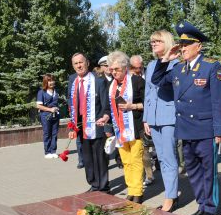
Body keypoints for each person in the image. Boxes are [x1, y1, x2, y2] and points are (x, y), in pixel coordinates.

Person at [152, 20, 221, 215]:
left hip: (205, 128)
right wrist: (165, 58)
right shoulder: (178, 70)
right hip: (185, 129)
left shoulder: (211, 67)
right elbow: (157, 80)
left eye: (187, 44)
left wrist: (219, 131)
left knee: (208, 170)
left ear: (198, 46)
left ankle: (210, 208)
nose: (183, 48)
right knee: (193, 171)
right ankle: (201, 204)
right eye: (181, 45)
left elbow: (219, 101)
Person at [143, 30, 180, 212]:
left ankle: (170, 197)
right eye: (152, 41)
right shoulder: (151, 65)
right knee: (161, 158)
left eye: (157, 41)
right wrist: (145, 119)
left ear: (167, 42)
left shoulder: (176, 64)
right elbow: (148, 93)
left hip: (168, 116)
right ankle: (171, 193)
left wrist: (166, 60)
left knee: (168, 158)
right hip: (153, 117)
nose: (153, 44)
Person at [67, 53, 111, 193]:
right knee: (87, 158)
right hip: (80, 126)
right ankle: (93, 184)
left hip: (96, 123)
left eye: (81, 62)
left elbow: (105, 104)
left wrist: (106, 119)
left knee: (99, 157)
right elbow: (71, 102)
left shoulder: (99, 81)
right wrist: (72, 125)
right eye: (76, 63)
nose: (79, 65)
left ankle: (103, 187)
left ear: (87, 63)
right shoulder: (72, 80)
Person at [108, 51, 146, 203]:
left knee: (136, 160)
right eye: (111, 69)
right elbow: (107, 107)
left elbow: (147, 104)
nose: (114, 72)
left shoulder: (137, 81)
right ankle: (131, 189)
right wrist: (105, 117)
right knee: (126, 161)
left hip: (135, 128)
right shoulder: (111, 85)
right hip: (120, 130)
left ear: (125, 68)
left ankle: (138, 192)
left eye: (116, 69)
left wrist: (133, 106)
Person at [131, 55, 154, 186]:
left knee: (152, 148)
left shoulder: (149, 74)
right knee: (143, 150)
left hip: (152, 117)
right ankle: (148, 175)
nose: (138, 70)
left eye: (140, 67)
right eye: (135, 68)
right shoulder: (131, 79)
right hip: (138, 119)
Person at [36, 74, 60, 159]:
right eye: (49, 80)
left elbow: (56, 103)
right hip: (45, 116)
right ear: (46, 82)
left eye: (53, 80)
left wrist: (57, 108)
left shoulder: (56, 91)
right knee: (47, 134)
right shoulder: (41, 92)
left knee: (54, 133)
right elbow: (38, 106)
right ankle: (47, 152)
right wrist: (50, 110)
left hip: (55, 116)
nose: (52, 82)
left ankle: (53, 151)